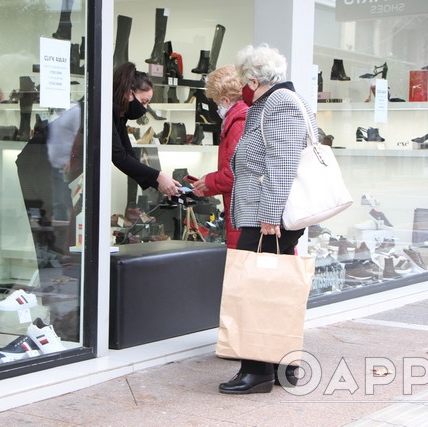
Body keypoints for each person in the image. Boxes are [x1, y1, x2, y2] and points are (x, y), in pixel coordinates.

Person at [219, 44, 318, 395]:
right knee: (273, 288)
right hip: (265, 214)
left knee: (255, 289)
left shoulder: (279, 103)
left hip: (267, 216)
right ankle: (282, 364)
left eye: (246, 79)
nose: (243, 86)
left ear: (254, 78)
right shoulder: (273, 102)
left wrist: (269, 214)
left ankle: (256, 371)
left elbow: (283, 162)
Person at [191, 65, 247, 249]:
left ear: (224, 99)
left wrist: (209, 181)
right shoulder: (240, 120)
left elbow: (236, 174)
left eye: (215, 102)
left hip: (241, 211)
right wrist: (206, 184)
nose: (216, 108)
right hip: (240, 209)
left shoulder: (238, 124)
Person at [112, 62, 180, 197]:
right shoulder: (110, 112)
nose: (144, 108)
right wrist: (158, 177)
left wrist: (158, 182)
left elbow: (128, 154)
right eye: (143, 102)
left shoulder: (119, 116)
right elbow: (119, 157)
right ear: (128, 93)